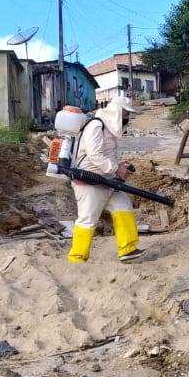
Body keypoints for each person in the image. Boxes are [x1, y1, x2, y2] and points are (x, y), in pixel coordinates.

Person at [67, 95, 145, 264]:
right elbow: (94, 155)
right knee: (88, 218)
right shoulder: (96, 125)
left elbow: (107, 154)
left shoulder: (109, 128)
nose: (127, 118)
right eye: (125, 113)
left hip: (107, 180)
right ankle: (77, 258)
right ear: (117, 111)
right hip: (89, 181)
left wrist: (119, 167)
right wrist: (116, 169)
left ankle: (128, 249)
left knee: (123, 207)